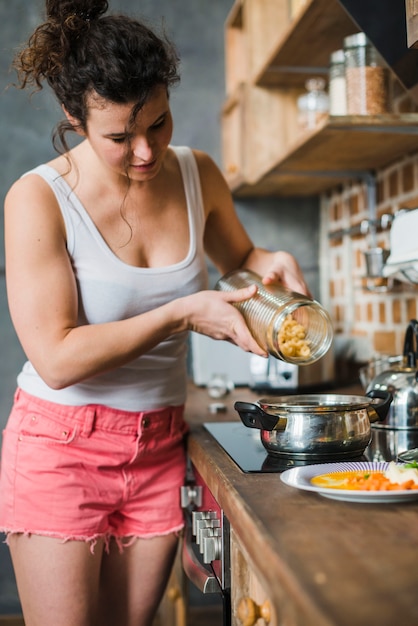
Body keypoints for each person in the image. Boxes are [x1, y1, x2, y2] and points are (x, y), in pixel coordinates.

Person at [0, 1, 310, 625]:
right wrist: (181, 314)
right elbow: (56, 358)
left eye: (160, 123)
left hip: (160, 445)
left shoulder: (198, 174)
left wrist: (267, 260)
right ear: (75, 119)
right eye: (120, 137)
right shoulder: (39, 199)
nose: (146, 152)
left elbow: (241, 258)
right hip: (62, 447)